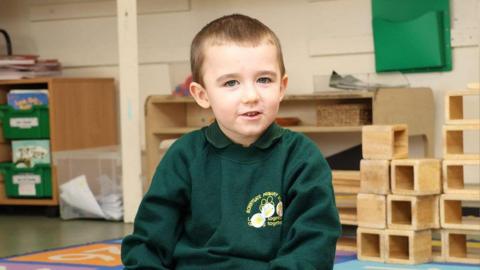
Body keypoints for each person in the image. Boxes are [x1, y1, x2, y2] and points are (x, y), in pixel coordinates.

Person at [121, 14, 341, 269]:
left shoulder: (302, 158)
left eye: (264, 80)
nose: (250, 95)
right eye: (231, 83)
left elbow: (314, 245)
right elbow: (148, 242)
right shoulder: (184, 156)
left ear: (282, 87)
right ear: (202, 95)